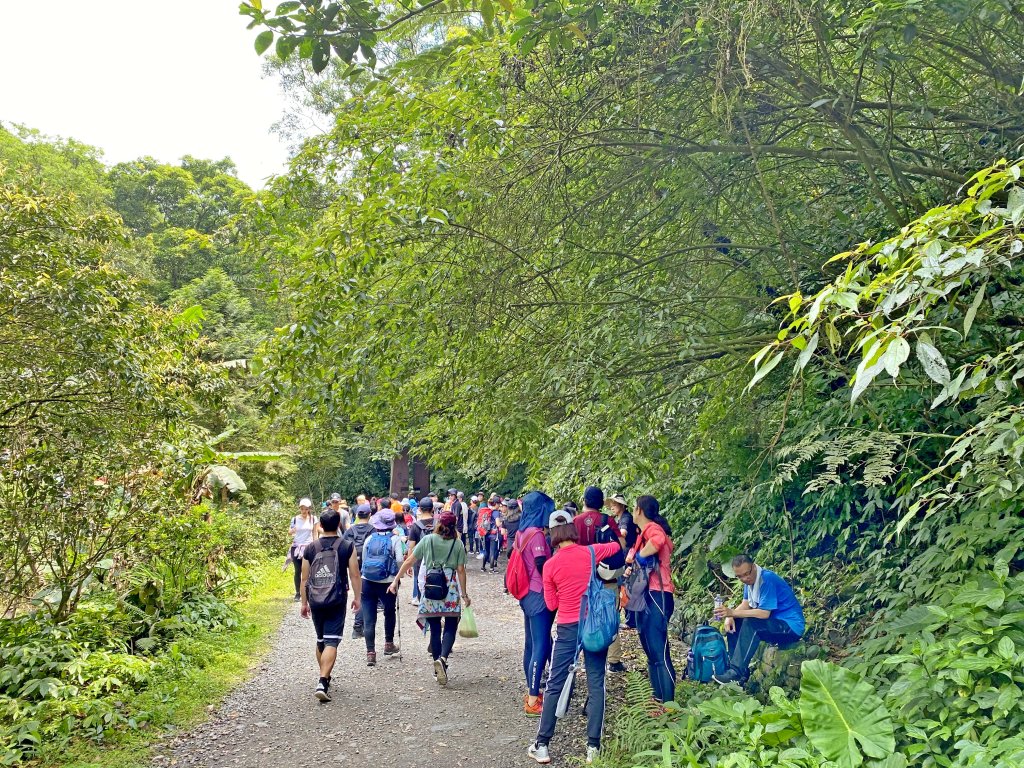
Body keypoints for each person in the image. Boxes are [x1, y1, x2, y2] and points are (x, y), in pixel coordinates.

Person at [528, 508, 624, 765]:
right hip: (593, 625)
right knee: (596, 682)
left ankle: (543, 744)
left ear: (552, 534)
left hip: (568, 627)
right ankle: (593, 747)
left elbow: (550, 604)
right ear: (572, 529)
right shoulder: (591, 552)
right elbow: (616, 547)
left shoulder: (549, 566)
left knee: (555, 684)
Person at [390, 510, 470, 686]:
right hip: (449, 590)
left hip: (431, 588)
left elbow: (410, 560)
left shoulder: (427, 540)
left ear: (438, 524)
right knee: (450, 626)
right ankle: (442, 659)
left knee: (435, 629)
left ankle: (436, 669)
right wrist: (464, 594)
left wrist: (396, 580)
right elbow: (461, 570)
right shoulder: (457, 544)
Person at [712, 554, 805, 686]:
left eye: (747, 573)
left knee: (751, 623)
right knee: (736, 623)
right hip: (774, 625)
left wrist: (732, 612)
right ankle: (739, 674)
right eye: (740, 576)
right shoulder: (749, 581)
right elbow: (746, 604)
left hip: (790, 627)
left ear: (754, 567)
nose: (745, 578)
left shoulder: (766, 579)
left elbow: (764, 614)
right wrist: (730, 616)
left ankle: (735, 672)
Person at [300, 507, 361, 702]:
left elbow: (304, 578)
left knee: (321, 640)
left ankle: (323, 676)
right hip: (336, 598)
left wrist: (304, 602)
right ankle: (323, 681)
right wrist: (357, 597)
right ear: (339, 525)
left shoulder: (310, 548)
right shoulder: (346, 546)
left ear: (320, 526)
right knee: (332, 640)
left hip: (315, 599)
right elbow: (354, 574)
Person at [626, 495, 677, 705]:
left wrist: (640, 557)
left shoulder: (652, 529)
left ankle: (669, 706)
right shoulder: (642, 533)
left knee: (659, 652)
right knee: (651, 652)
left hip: (659, 595)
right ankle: (657, 700)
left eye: (633, 508)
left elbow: (658, 541)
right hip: (647, 596)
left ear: (639, 510)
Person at [516, 491, 555, 717]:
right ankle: (533, 699)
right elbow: (542, 564)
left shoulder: (522, 532)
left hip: (526, 594)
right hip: (539, 594)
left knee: (530, 644)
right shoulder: (537, 535)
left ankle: (532, 690)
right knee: (541, 645)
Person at [361, 509, 403, 666]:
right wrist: (398, 577)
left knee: (369, 617)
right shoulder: (396, 539)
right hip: (388, 582)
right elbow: (399, 560)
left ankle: (370, 653)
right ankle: (388, 644)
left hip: (368, 581)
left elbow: (364, 560)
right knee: (389, 611)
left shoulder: (370, 538)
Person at [343, 503, 374, 639]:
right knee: (366, 595)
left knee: (360, 593)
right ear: (369, 515)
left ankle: (359, 626)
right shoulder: (374, 530)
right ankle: (359, 626)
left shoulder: (350, 531)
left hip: (353, 564)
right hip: (369, 566)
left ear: (356, 516)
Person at [609, 494, 637, 631]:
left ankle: (630, 620)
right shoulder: (617, 518)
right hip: (623, 556)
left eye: (615, 504)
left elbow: (623, 533)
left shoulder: (626, 518)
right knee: (623, 586)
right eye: (611, 504)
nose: (612, 507)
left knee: (627, 586)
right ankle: (627, 618)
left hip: (629, 556)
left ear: (622, 505)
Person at [288, 498, 320, 601]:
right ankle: (298, 593)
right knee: (298, 570)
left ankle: (309, 590)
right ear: (299, 509)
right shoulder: (295, 519)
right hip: (296, 547)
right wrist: (292, 530)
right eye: (302, 509)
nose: (304, 511)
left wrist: (317, 546)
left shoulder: (313, 519)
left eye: (306, 509)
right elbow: (289, 532)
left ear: (309, 509)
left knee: (309, 570)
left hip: (308, 547)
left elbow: (315, 533)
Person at [406, 496, 435, 606]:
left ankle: (422, 604)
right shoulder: (438, 524)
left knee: (419, 581)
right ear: (432, 509)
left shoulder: (415, 526)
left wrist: (409, 563)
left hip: (419, 559)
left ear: (419, 509)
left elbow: (411, 546)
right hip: (436, 559)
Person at [478, 501, 502, 572]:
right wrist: (502, 522)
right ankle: (491, 568)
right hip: (493, 535)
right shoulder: (496, 512)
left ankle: (483, 567)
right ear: (496, 504)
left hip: (486, 533)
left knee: (486, 550)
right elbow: (497, 524)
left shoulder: (488, 511)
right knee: (492, 551)